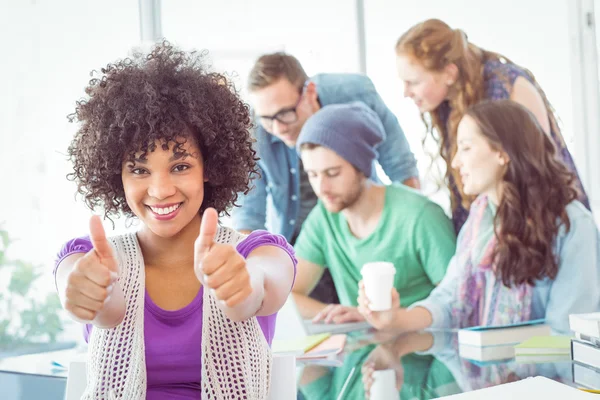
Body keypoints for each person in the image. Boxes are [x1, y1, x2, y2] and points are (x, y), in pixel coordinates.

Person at [53, 42, 297, 399]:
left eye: (180, 166)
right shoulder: (88, 259)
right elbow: (106, 308)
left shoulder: (257, 254)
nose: (160, 189)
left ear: (209, 168)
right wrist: (92, 296)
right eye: (138, 169)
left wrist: (245, 287)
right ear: (114, 175)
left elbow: (260, 288)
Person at [357, 100, 600, 335]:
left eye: (466, 148)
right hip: (488, 372)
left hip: (545, 377)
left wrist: (499, 350)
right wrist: (396, 319)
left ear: (502, 153)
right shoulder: (479, 220)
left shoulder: (573, 226)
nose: (455, 162)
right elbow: (449, 300)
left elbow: (567, 334)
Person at [231, 53, 420, 304]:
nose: (278, 128)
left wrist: (409, 233)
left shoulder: (355, 95)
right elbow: (249, 219)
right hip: (300, 242)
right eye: (267, 119)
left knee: (373, 307)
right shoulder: (256, 131)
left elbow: (401, 169)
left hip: (359, 231)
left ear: (309, 92)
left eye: (285, 113)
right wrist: (257, 281)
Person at [395, 18, 590, 233]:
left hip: (540, 224)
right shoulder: (444, 102)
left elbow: (540, 168)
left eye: (413, 82)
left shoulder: (508, 85)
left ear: (449, 73)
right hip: (491, 225)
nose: (406, 92)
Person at [292, 102, 456, 324]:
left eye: (332, 173)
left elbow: (458, 303)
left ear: (362, 168)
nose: (321, 188)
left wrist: (371, 317)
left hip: (425, 349)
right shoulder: (323, 218)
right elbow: (290, 295)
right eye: (312, 175)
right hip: (362, 351)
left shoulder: (421, 217)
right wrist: (339, 313)